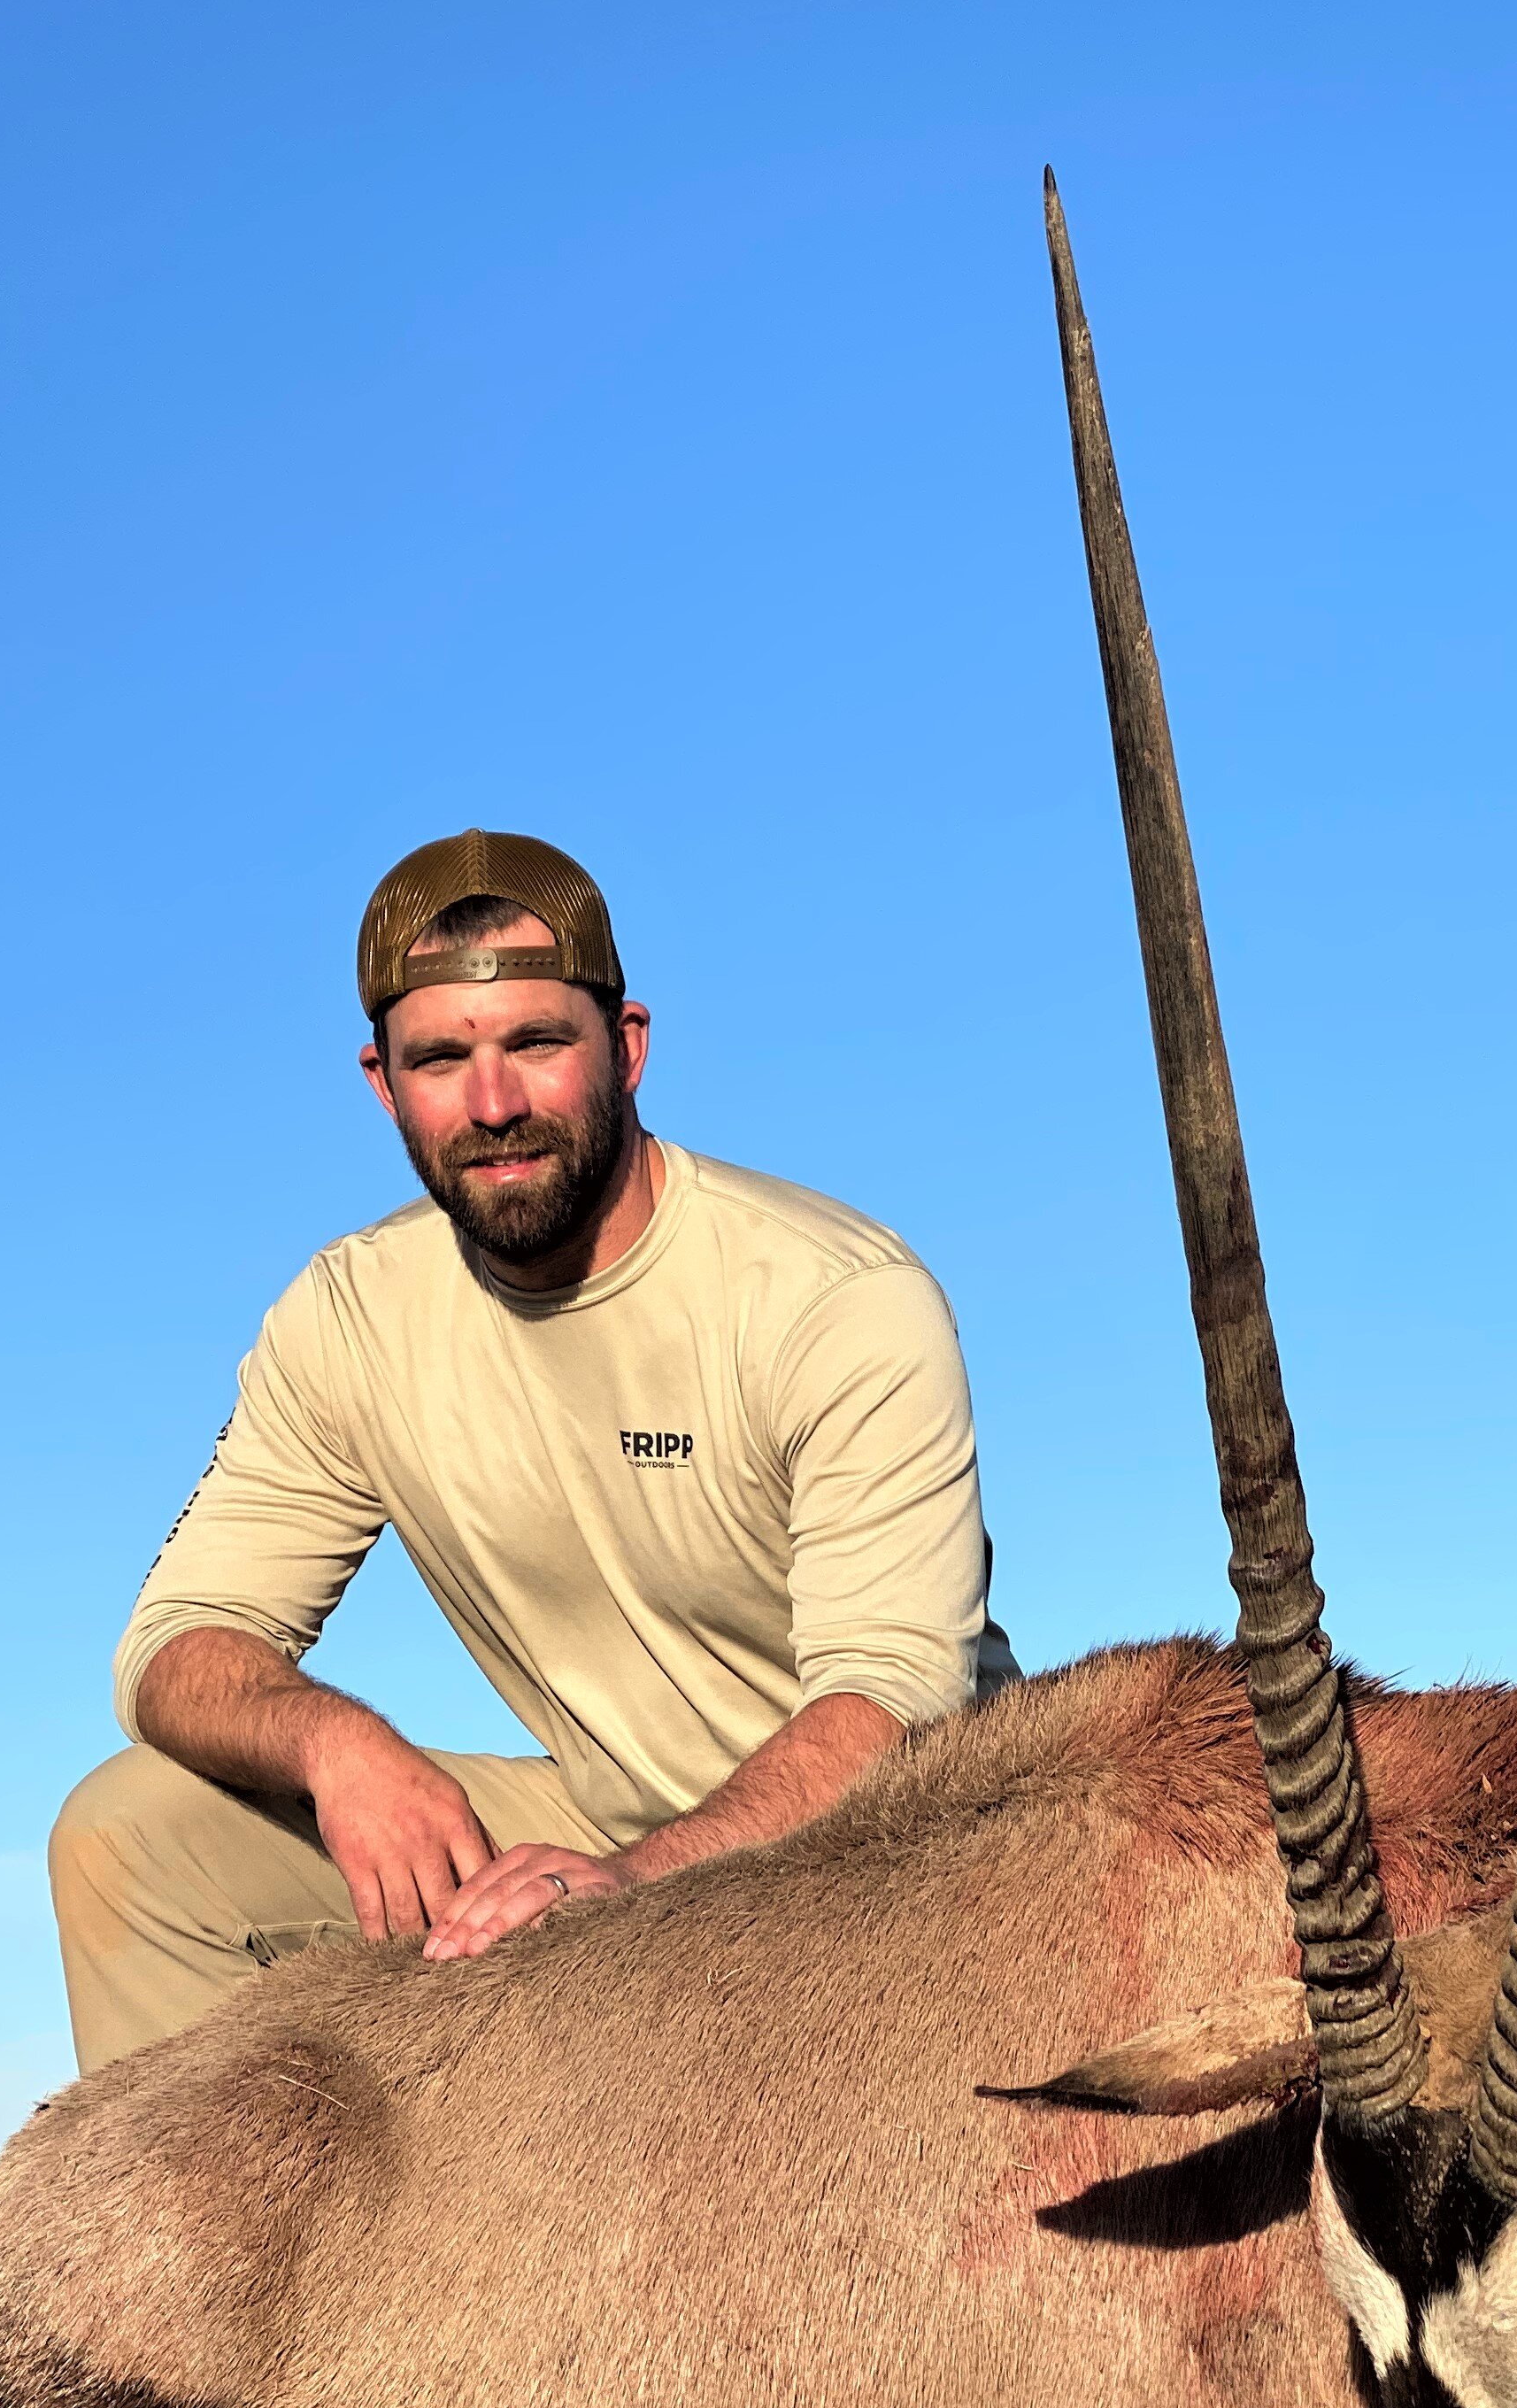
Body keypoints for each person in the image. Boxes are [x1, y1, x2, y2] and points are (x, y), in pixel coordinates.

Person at [50, 827, 1013, 2071]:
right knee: (131, 1839)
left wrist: (636, 1881)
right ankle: (222, 2262)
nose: (493, 1103)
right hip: (595, 1820)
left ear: (628, 1046)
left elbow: (894, 1703)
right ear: (382, 1084)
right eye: (441, 1058)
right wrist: (341, 1750)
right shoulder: (349, 1317)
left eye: (536, 1044)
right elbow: (171, 1650)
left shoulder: (834, 1295)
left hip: (902, 1852)